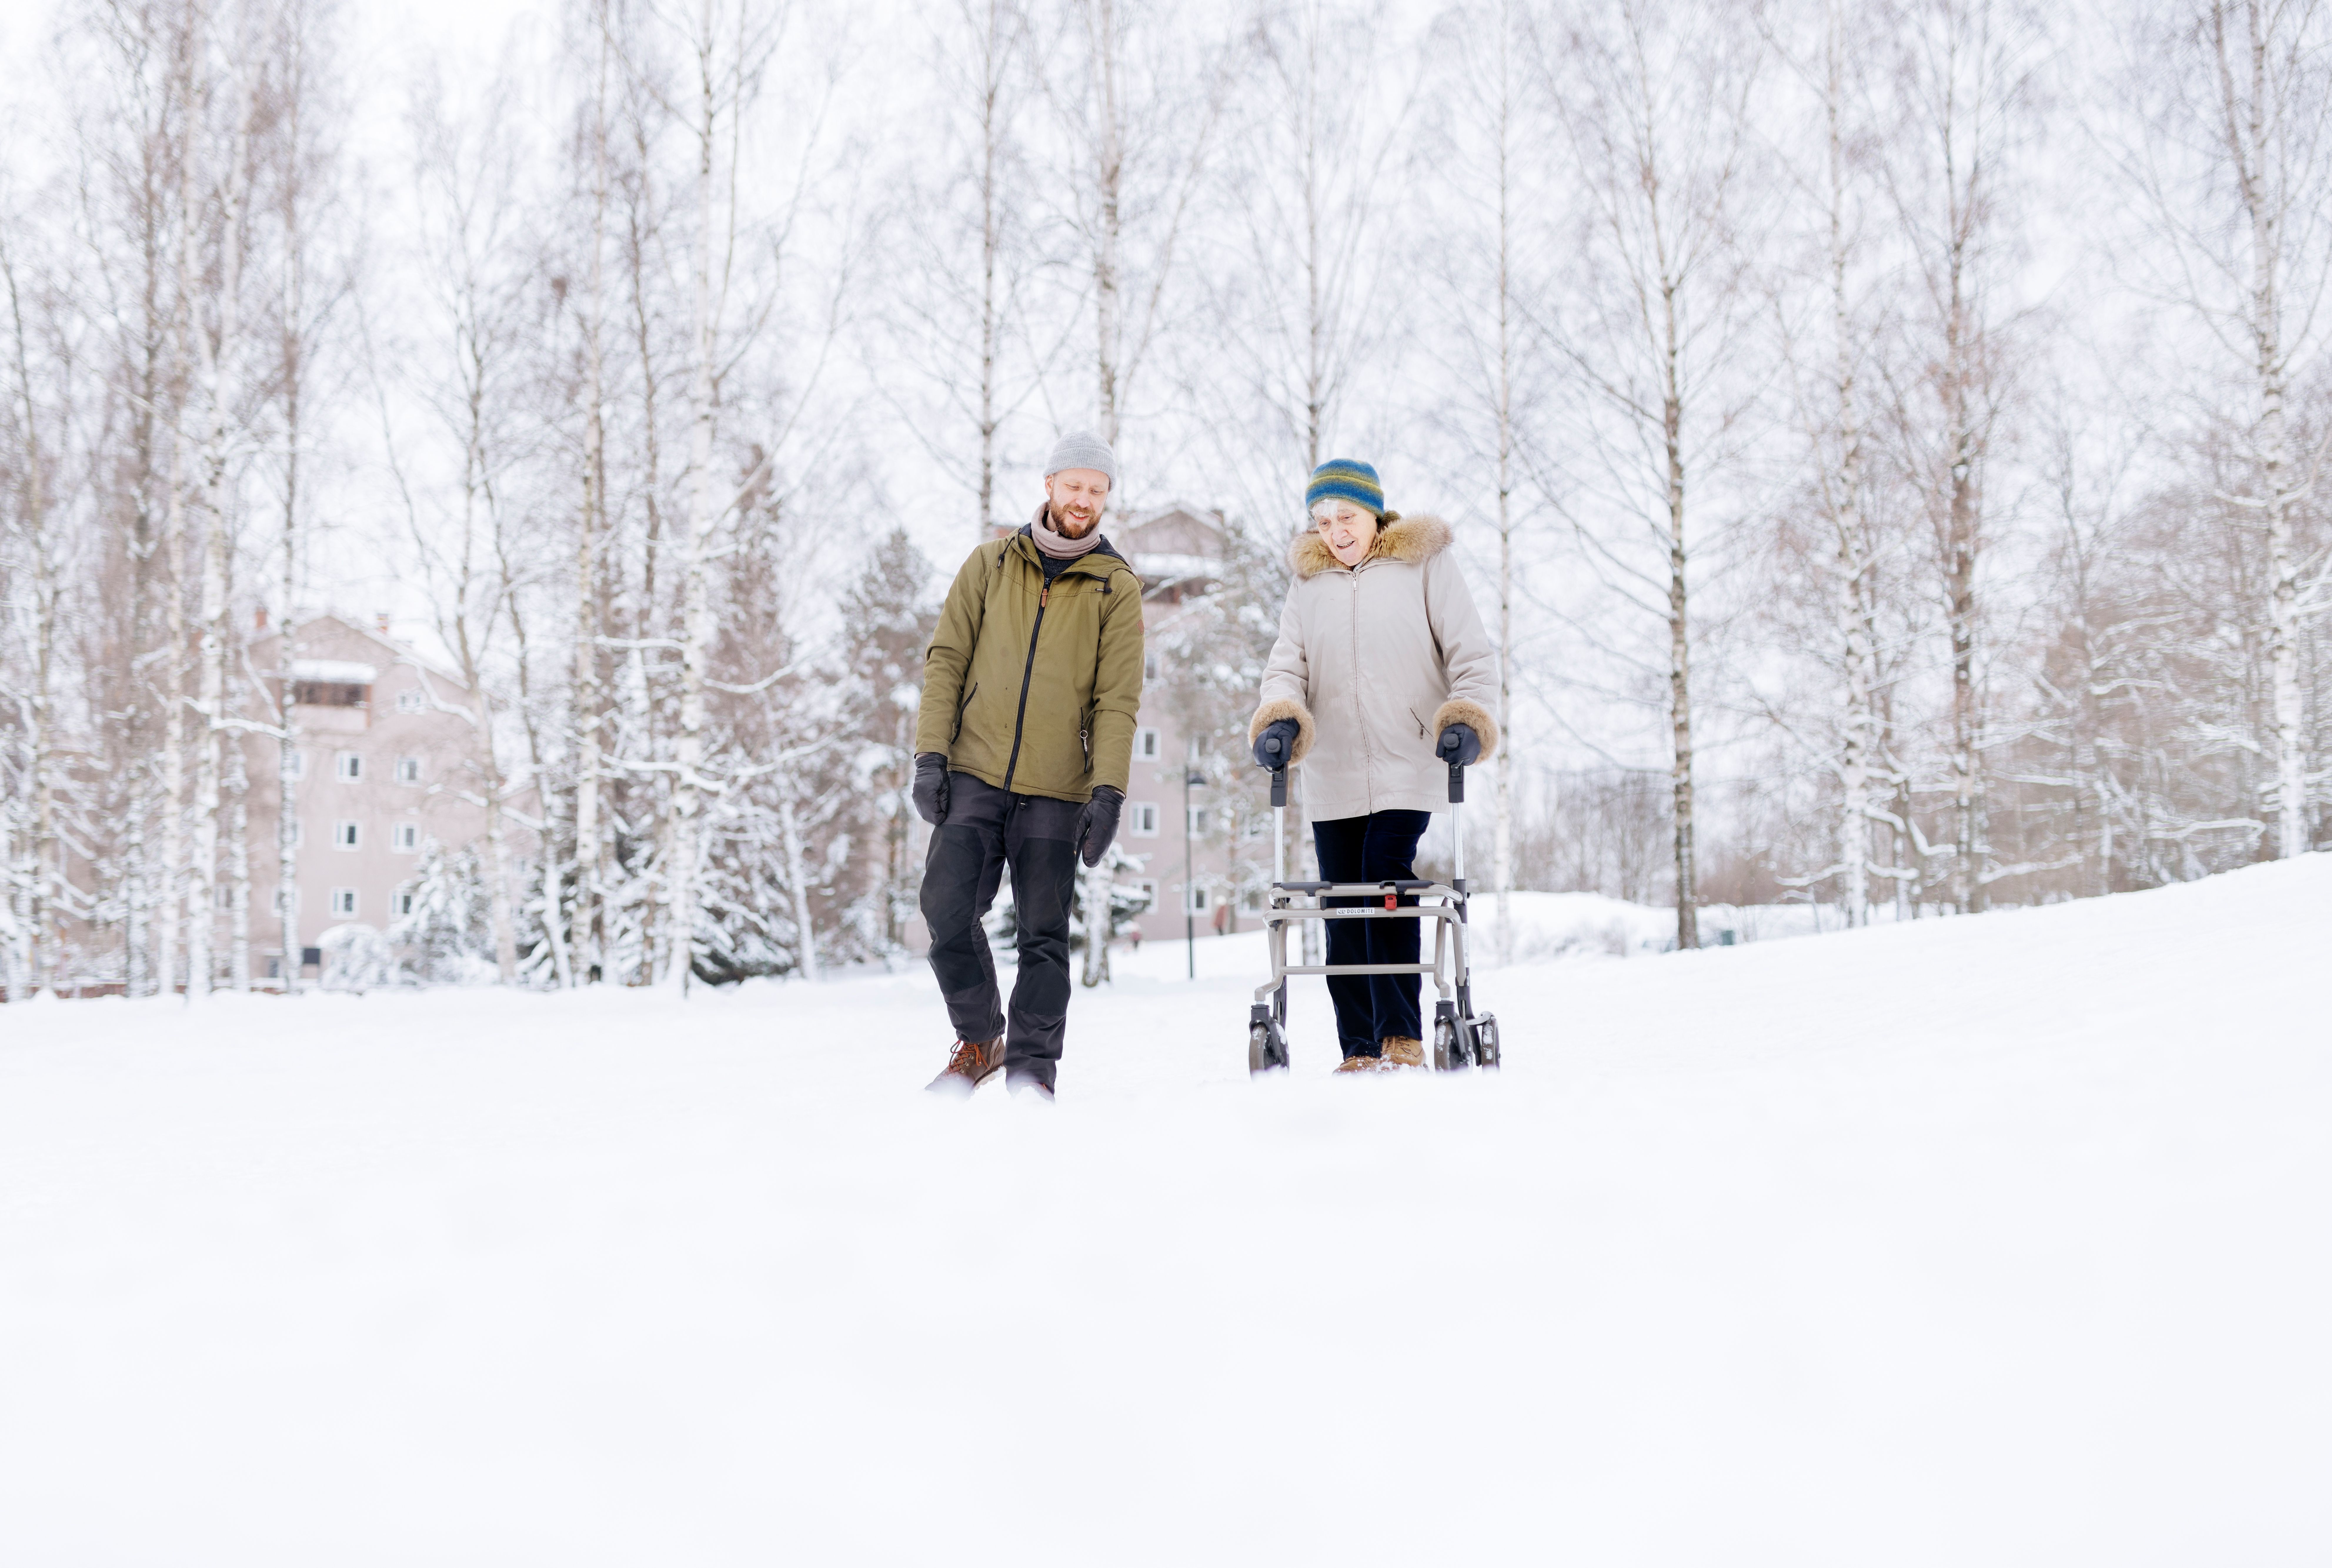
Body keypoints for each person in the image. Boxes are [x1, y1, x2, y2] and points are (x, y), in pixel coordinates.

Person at [913, 432, 1145, 1099]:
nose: (1085, 501)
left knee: (1044, 937)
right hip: (975, 772)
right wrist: (932, 754)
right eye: (1075, 486)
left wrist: (1108, 792)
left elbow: (1117, 700)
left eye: (1098, 491)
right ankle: (981, 1040)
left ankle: (1032, 1075)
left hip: (1057, 789)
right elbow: (947, 661)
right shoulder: (989, 565)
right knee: (946, 907)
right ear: (1049, 485)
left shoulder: (1115, 587)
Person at [1247, 459, 1498, 1072]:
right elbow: (1288, 664)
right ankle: (1358, 1046)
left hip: (1408, 758)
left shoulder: (1424, 564)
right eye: (1323, 520)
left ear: (1374, 512)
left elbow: (1469, 650)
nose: (1335, 531)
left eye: (1346, 516)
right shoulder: (1308, 584)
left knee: (1383, 877)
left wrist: (1467, 716)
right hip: (1331, 766)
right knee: (1342, 897)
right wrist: (1280, 714)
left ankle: (1401, 1037)